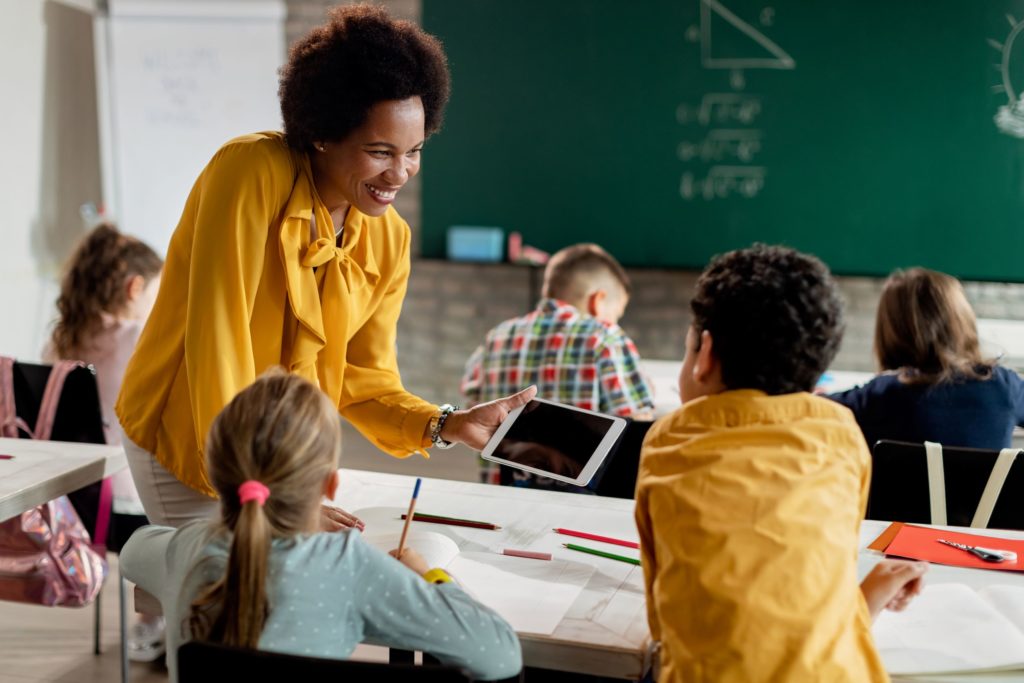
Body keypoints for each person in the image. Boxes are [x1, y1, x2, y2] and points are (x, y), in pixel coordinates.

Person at [115, 4, 534, 529]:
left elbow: (363, 380)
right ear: (322, 133)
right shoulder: (249, 172)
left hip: (278, 457)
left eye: (414, 151)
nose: (399, 173)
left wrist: (446, 423)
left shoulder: (388, 239)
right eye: (380, 151)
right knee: (218, 598)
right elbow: (217, 347)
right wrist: (262, 495)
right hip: (187, 435)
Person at [635, 245, 927, 682]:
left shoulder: (667, 441)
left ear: (705, 355)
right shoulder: (842, 435)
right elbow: (804, 613)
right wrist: (868, 594)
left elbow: (668, 625)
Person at [120, 370, 522, 683]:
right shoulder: (350, 566)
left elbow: (134, 550)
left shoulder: (186, 549)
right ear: (331, 485)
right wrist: (429, 574)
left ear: (217, 473)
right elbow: (501, 653)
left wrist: (205, 530)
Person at [45, 223, 167, 662]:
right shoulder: (140, 340)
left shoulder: (58, 343)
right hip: (135, 516)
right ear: (136, 287)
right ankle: (159, 620)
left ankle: (153, 621)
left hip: (79, 510)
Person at [461, 243, 653, 487]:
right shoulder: (606, 338)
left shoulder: (495, 338)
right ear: (598, 300)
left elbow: (474, 413)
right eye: (617, 312)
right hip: (577, 512)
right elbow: (636, 430)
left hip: (500, 503)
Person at [829, 267, 1024, 450]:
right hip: (988, 488)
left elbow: (807, 408)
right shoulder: (1005, 386)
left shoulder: (880, 396)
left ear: (892, 331)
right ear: (962, 320)